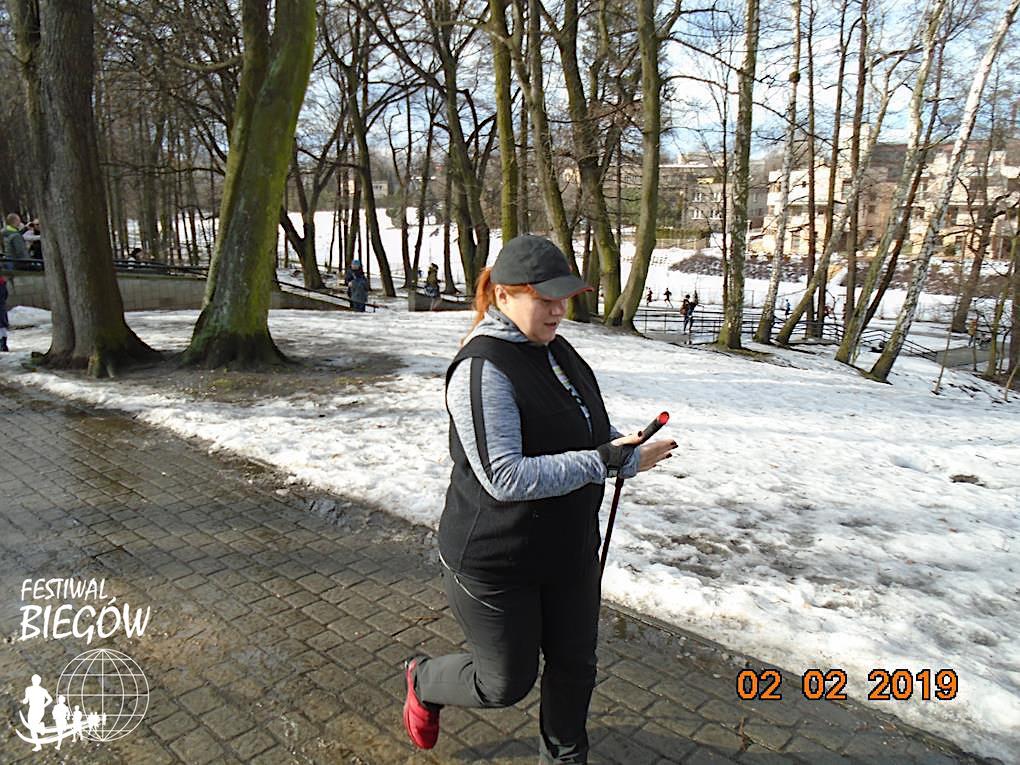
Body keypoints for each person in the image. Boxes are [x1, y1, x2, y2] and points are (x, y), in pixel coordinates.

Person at [401, 235, 676, 763]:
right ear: (503, 295)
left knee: (576, 664)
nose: (558, 310)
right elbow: (504, 477)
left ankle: (566, 755)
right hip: (497, 560)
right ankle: (423, 679)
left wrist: (626, 452)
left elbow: (584, 429)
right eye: (545, 299)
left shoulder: (556, 349)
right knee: (505, 683)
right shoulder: (482, 369)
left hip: (569, 550)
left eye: (564, 298)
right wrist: (603, 461)